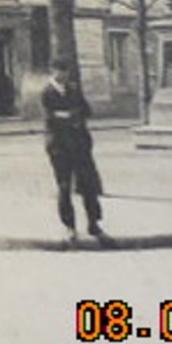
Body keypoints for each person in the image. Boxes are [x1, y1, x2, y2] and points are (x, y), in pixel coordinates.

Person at [41, 59, 105, 242]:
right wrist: (70, 116)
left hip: (79, 144)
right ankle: (69, 226)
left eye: (65, 71)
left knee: (88, 185)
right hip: (59, 147)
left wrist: (68, 115)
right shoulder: (47, 93)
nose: (63, 75)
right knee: (64, 186)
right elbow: (50, 119)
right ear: (52, 72)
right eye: (59, 71)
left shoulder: (74, 90)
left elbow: (86, 110)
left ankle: (94, 223)